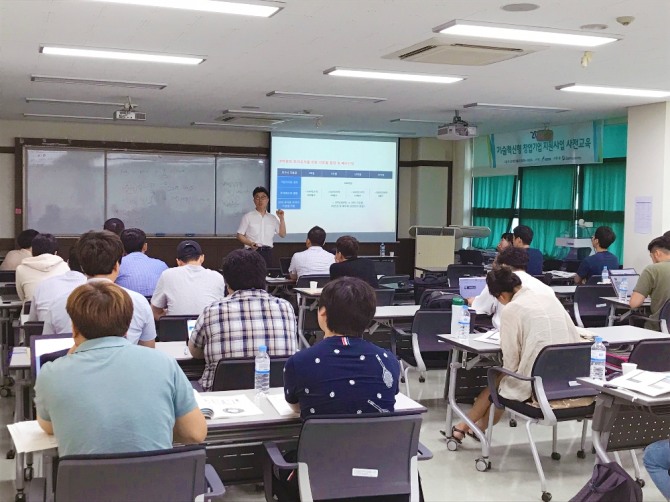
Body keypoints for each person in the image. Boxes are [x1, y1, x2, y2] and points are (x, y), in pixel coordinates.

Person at [34, 281, 206, 457]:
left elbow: (49, 426)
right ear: (127, 324)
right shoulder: (164, 363)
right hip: (155, 481)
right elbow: (195, 433)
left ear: (74, 327)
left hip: (86, 483)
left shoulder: (51, 374)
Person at [450, 266, 580, 443]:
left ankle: (463, 427)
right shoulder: (550, 298)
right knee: (503, 382)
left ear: (501, 296)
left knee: (500, 380)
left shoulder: (513, 308)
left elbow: (511, 362)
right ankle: (474, 428)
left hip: (537, 385)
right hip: (570, 379)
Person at [284, 276, 400, 417]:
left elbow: (296, 408)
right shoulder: (389, 360)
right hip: (379, 439)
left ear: (322, 312)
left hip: (322, 439)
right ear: (370, 316)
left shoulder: (300, 362)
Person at [189, 249, 297, 391]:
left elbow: (195, 352)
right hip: (276, 399)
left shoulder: (213, 311)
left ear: (227, 283)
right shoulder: (286, 308)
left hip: (220, 400)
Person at [43, 231, 157, 347]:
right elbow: (149, 348)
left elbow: (47, 350)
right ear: (117, 266)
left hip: (74, 363)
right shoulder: (139, 301)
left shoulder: (58, 303)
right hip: (127, 363)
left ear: (82, 266)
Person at [469, 247, 555, 329]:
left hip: (505, 335)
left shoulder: (499, 281)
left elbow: (479, 308)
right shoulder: (545, 287)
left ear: (503, 265)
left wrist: (470, 300)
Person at [151, 240, 225, 319]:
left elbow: (155, 312)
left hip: (176, 329)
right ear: (202, 258)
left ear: (178, 262)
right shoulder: (217, 277)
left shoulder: (167, 275)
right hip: (208, 328)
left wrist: (168, 314)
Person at [29, 247, 86, 322]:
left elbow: (32, 322)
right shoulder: (94, 288)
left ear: (68, 263)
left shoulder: (43, 285)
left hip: (44, 331)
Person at [236, 186, 286, 267]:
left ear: (267, 200)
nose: (260, 200)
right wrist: (250, 243)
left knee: (266, 277)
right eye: (257, 198)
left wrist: (281, 219)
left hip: (267, 252)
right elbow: (239, 235)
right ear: (254, 200)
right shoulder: (248, 216)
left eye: (263, 197)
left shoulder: (272, 218)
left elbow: (283, 234)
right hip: (251, 251)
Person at [630, 236, 670, 330]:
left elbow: (634, 303)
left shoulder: (652, 270)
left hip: (660, 328)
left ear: (656, 253)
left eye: (651, 257)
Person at [15, 233, 70, 302]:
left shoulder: (21, 269)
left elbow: (22, 296)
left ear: (32, 252)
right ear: (55, 253)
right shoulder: (65, 267)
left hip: (30, 311)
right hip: (58, 311)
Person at [116, 228, 168, 296]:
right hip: (156, 305)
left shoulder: (116, 266)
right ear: (145, 246)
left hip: (128, 305)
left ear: (121, 247)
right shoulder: (162, 265)